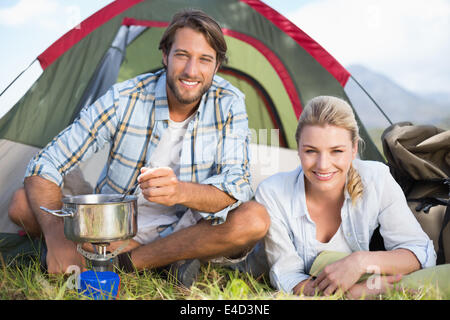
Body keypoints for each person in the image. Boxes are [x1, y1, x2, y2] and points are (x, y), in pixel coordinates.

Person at [7, 9, 270, 286]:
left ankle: (125, 263)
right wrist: (57, 236)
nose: (192, 71)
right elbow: (45, 163)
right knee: (22, 204)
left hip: (189, 229)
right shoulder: (125, 97)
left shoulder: (229, 102)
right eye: (182, 55)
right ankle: (165, 260)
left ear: (216, 67)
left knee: (254, 219)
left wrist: (180, 191)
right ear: (165, 55)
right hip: (112, 227)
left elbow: (236, 185)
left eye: (205, 60)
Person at [255, 96, 449, 299]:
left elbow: (418, 250)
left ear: (354, 148)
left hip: (360, 273)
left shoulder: (376, 178)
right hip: (320, 282)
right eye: (311, 151)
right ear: (299, 149)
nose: (323, 165)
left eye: (336, 151)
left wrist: (360, 262)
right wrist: (359, 291)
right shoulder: (272, 192)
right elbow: (288, 276)